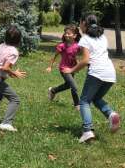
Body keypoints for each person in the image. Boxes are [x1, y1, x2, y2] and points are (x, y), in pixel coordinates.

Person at [63, 14, 120, 143]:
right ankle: (111, 114)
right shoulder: (103, 37)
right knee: (96, 98)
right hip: (110, 73)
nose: (79, 26)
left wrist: (71, 70)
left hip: (97, 73)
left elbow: (85, 61)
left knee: (84, 101)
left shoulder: (85, 39)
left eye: (80, 23)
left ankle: (87, 131)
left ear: (84, 23)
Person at [0, 25, 27, 132]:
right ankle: (6, 123)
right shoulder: (13, 51)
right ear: (19, 40)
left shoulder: (1, 46)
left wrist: (10, 73)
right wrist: (14, 73)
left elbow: (0, 64)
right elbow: (5, 67)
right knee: (15, 99)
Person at [46, 24, 81, 110]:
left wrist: (77, 65)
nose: (66, 35)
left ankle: (53, 90)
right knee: (74, 87)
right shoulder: (62, 46)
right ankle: (77, 105)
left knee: (67, 85)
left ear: (75, 35)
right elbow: (54, 57)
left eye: (69, 33)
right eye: (65, 33)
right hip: (64, 69)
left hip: (72, 69)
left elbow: (74, 56)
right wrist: (50, 67)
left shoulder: (77, 46)